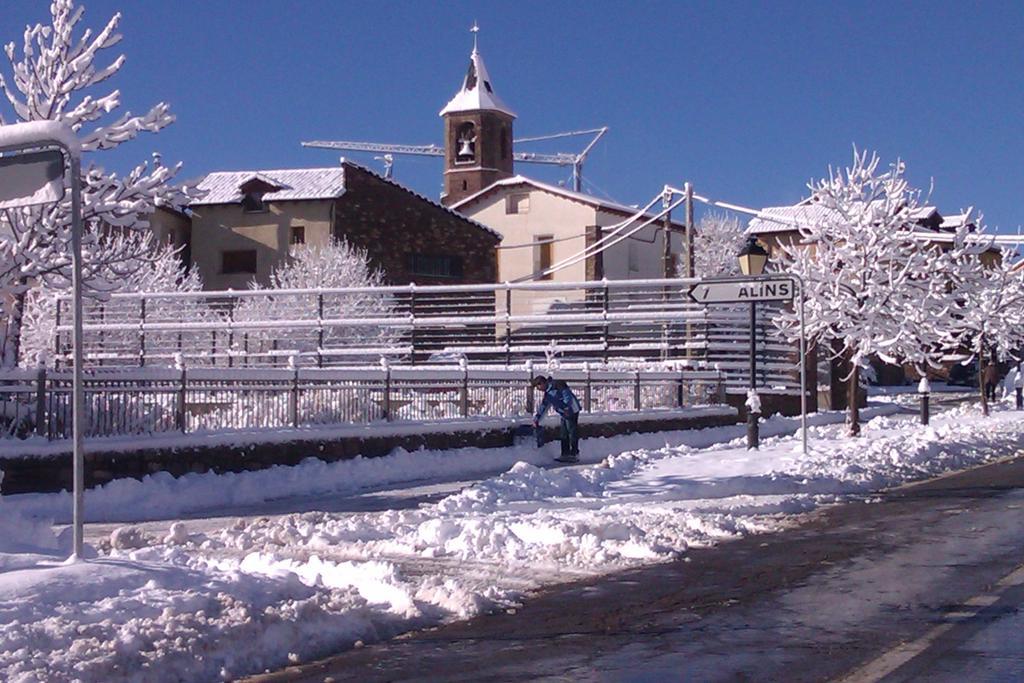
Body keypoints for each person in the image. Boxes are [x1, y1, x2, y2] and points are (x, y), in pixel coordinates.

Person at [531, 375, 582, 463]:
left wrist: (566, 407)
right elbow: (543, 407)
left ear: (542, 383)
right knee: (563, 433)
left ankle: (574, 454)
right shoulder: (548, 394)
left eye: (538, 387)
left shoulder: (558, 385)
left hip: (572, 410)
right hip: (563, 413)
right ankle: (565, 454)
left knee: (572, 432)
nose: (538, 389)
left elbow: (567, 396)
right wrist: (537, 419)